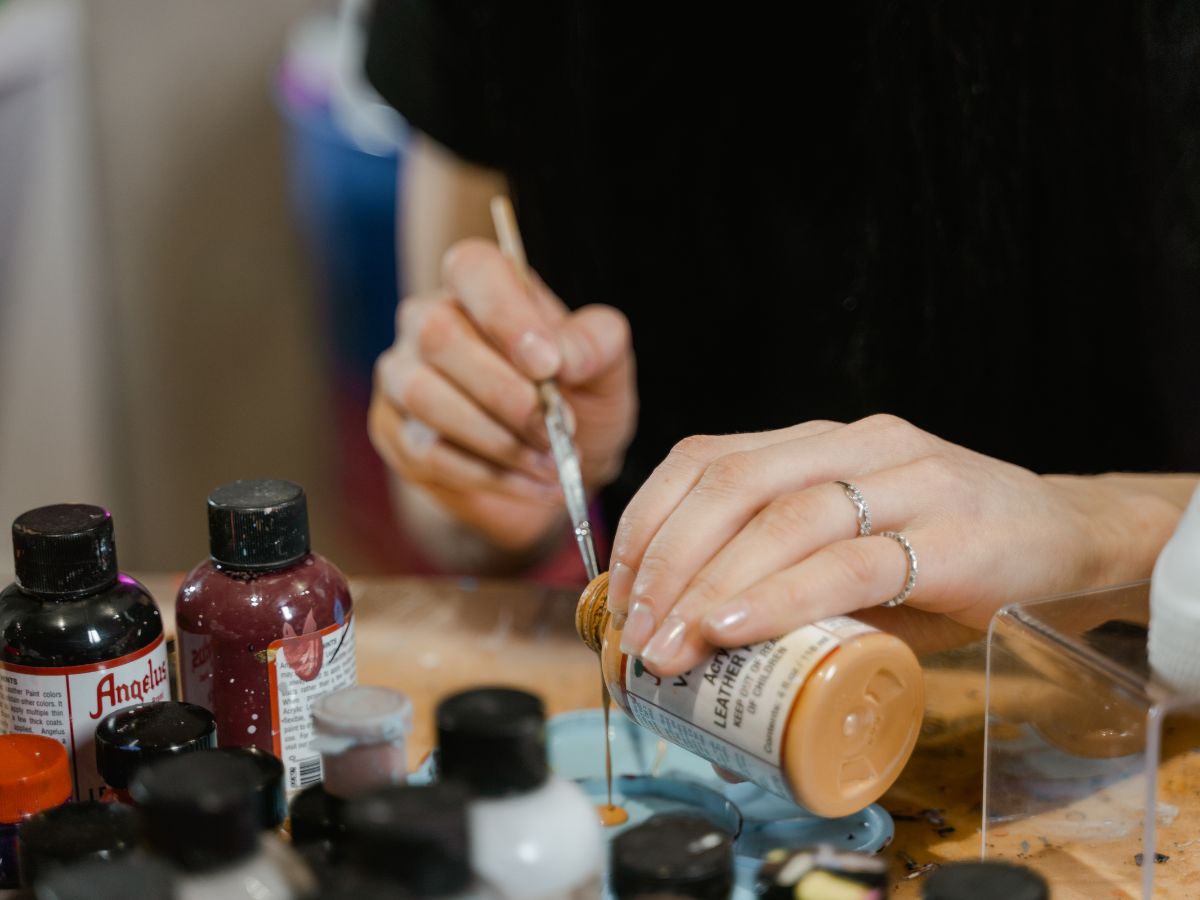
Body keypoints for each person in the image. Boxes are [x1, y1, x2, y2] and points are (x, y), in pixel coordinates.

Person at [362, 3, 1200, 667]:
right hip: (729, 738)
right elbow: (450, 517)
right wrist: (500, 455)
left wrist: (1110, 535)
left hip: (1134, 728)